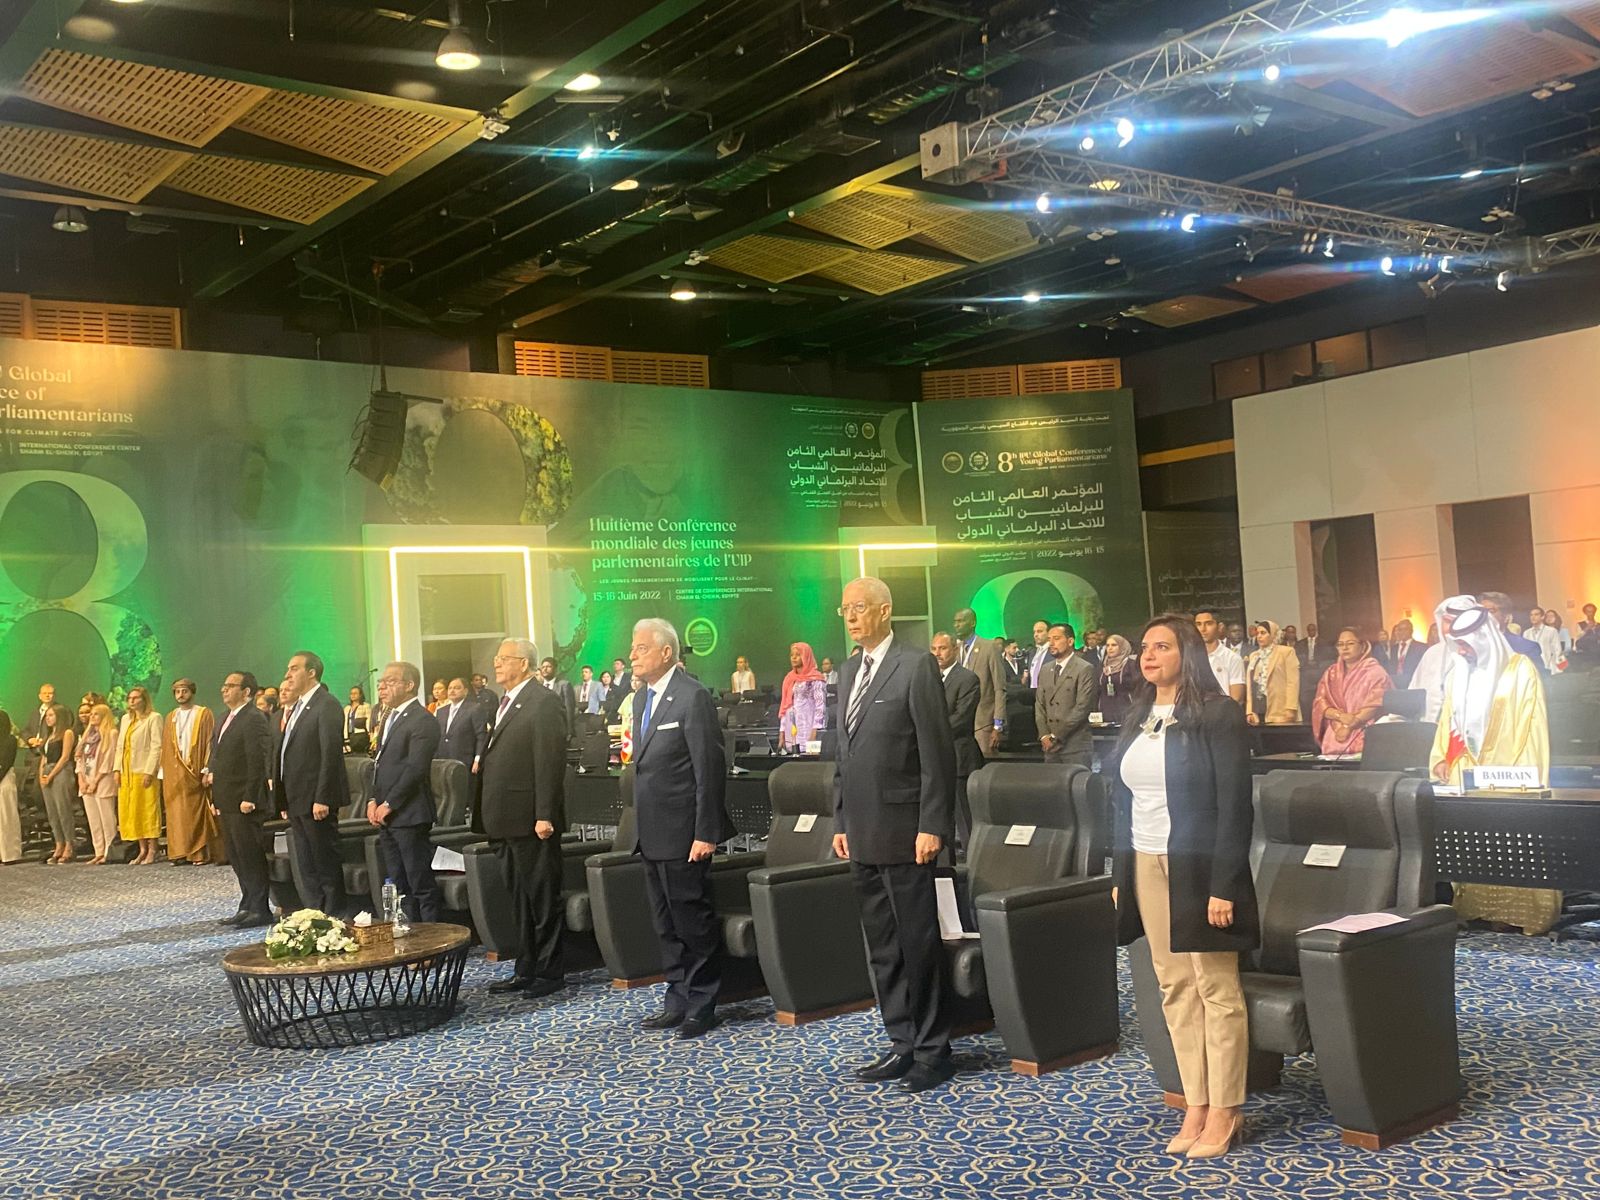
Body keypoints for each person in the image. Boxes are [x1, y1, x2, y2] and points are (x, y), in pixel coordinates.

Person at [1107, 614, 1256, 1159]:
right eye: (1145, 647)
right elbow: (1122, 804)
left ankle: (1227, 1107)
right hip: (1144, 861)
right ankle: (1196, 1101)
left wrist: (1225, 884)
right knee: (1173, 986)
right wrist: (1120, 875)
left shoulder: (1217, 714)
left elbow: (1236, 806)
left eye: (1162, 647)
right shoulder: (1139, 714)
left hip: (1200, 867)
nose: (1148, 656)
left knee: (1215, 988)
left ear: (1186, 654)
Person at [834, 577, 956, 1094]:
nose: (850, 616)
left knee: (917, 943)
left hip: (908, 833)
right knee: (883, 947)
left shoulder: (915, 665)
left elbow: (936, 754)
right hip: (861, 832)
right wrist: (840, 820)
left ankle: (933, 1050)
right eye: (844, 609)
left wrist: (932, 824)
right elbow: (842, 754)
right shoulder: (847, 671)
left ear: (885, 611)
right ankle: (902, 1041)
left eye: (858, 607)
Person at [628, 618, 735, 1038]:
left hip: (685, 833)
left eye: (641, 648)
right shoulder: (641, 699)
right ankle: (677, 999)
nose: (632, 656)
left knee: (692, 923)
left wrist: (705, 832)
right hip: (650, 832)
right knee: (665, 925)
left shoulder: (692, 697)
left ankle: (703, 1003)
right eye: (633, 648)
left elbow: (709, 770)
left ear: (666, 652)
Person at [480, 637, 569, 998]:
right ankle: (525, 967)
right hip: (504, 818)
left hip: (532, 820)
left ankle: (550, 971)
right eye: (497, 658)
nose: (497, 663)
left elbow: (549, 762)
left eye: (504, 658)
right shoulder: (503, 702)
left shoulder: (543, 701)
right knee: (519, 899)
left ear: (524, 663)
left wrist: (544, 813)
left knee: (542, 898)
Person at [1431, 607, 1548, 786]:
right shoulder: (1457, 674)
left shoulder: (1520, 670)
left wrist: (1527, 782)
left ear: (1483, 640)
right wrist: (1440, 758)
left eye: (1465, 645)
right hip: (1461, 771)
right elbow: (1446, 721)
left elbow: (1531, 729)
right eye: (1458, 645)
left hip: (1508, 774)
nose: (1461, 652)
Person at [368, 660, 444, 924]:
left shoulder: (422, 720)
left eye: (390, 681)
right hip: (387, 815)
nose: (382, 686)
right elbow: (379, 764)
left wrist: (389, 803)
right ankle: (407, 933)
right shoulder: (389, 716)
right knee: (399, 883)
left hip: (410, 813)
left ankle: (432, 937)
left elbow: (415, 768)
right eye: (381, 681)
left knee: (419, 882)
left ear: (409, 685)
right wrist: (373, 799)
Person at [277, 651, 348, 915]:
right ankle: (315, 914)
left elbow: (330, 755)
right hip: (297, 798)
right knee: (307, 864)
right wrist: (283, 799)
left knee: (324, 862)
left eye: (294, 668)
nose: (288, 674)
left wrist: (323, 797)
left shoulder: (325, 704)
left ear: (311, 672)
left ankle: (334, 916)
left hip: (316, 799)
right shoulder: (298, 706)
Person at [207, 672, 275, 927]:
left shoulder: (253, 717)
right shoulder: (224, 717)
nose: (224, 690)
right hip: (226, 798)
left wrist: (251, 796)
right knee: (236, 856)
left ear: (246, 692)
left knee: (250, 855)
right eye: (223, 685)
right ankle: (247, 904)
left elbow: (257, 760)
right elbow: (218, 756)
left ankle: (260, 908)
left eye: (231, 686)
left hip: (244, 800)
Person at [930, 631, 981, 854]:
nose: (937, 653)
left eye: (942, 648)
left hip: (959, 755)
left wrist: (929, 734)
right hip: (935, 758)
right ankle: (945, 861)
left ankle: (973, 860)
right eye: (934, 649)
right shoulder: (929, 678)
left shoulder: (967, 678)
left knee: (964, 817)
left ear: (955, 649)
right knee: (941, 816)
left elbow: (962, 718)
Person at [162, 678, 218, 867]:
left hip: (196, 771)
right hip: (176, 774)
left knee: (195, 813)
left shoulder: (203, 714)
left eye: (184, 691)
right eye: (177, 691)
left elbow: (209, 742)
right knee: (177, 814)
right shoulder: (171, 717)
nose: (181, 695)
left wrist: (206, 768)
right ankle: (180, 852)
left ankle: (198, 852)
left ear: (192, 692)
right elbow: (167, 747)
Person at [1311, 629, 1393, 756]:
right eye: (1340, 644)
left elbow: (1375, 705)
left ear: (1363, 646)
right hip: (1334, 733)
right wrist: (1340, 716)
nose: (1344, 648)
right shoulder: (1331, 673)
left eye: (1350, 643)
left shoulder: (1376, 672)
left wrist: (1349, 726)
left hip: (1365, 733)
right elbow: (1320, 703)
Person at [1035, 622, 1096, 767]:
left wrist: (1056, 736)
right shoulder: (1045, 669)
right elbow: (1039, 704)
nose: (1051, 643)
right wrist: (1044, 735)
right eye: (1049, 639)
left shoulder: (1084, 668)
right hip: (1049, 747)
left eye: (1056, 638)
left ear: (1070, 641)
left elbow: (1082, 708)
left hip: (1075, 746)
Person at [1412, 595, 1479, 723]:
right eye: (1448, 621)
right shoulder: (1432, 653)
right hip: (1428, 727)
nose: (1453, 627)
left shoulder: (1482, 653)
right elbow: (1414, 692)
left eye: (1459, 621)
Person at [117, 687, 163, 866]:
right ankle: (142, 849)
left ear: (144, 700)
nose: (132, 701)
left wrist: (149, 771)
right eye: (130, 698)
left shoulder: (154, 718)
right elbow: (120, 746)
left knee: (147, 809)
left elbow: (156, 746)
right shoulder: (126, 719)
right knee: (133, 810)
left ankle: (153, 849)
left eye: (136, 698)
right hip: (127, 771)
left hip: (143, 770)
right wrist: (116, 769)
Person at [953, 607, 1008, 757]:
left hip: (983, 723)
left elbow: (999, 687)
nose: (956, 625)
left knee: (984, 765)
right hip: (959, 724)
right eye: (955, 621)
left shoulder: (989, 647)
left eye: (960, 621)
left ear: (972, 623)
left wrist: (998, 725)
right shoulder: (955, 649)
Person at [74, 703, 120, 865]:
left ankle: (109, 851)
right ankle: (98, 851)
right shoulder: (88, 736)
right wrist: (81, 779)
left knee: (107, 818)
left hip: (103, 780)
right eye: (91, 714)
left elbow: (109, 759)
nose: (92, 717)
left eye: (96, 714)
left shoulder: (111, 733)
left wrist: (95, 781)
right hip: (86, 780)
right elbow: (79, 758)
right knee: (93, 819)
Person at [38, 703, 78, 865]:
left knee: (63, 809)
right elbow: (44, 757)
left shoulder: (67, 733)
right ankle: (58, 843)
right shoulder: (49, 736)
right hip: (47, 770)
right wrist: (42, 775)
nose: (48, 718)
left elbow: (65, 757)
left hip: (61, 771)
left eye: (51, 715)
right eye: (47, 716)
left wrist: (51, 775)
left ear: (59, 716)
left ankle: (69, 844)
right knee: (52, 812)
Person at [1478, 591, 1548, 676]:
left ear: (1506, 617)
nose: (1483, 615)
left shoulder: (1527, 648)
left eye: (1490, 611)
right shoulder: (1469, 647)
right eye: (1480, 611)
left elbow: (1539, 680)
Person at [1245, 620, 1301, 725]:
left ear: (1273, 634)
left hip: (1280, 709)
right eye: (1257, 633)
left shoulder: (1286, 652)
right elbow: (1250, 685)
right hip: (1258, 709)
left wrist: (1291, 708)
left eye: (1263, 633)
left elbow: (1293, 682)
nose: (1259, 636)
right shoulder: (1254, 655)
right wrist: (1249, 711)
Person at [777, 642, 827, 753]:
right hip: (792, 728)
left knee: (810, 759)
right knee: (793, 758)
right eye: (792, 655)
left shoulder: (816, 678)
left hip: (810, 727)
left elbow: (820, 707)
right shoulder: (790, 678)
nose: (794, 657)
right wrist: (782, 732)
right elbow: (785, 706)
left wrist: (815, 732)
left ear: (806, 656)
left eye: (798, 655)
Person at [1194, 610, 1245, 705]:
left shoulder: (1232, 658)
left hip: (1224, 711)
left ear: (1220, 627)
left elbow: (1236, 698)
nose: (1202, 629)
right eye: (1198, 624)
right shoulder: (1189, 658)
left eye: (1208, 623)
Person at [436, 677, 486, 773]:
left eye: (457, 688)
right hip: (443, 761)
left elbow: (481, 735)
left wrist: (478, 759)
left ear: (465, 691)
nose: (452, 691)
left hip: (465, 761)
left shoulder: (474, 709)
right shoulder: (441, 711)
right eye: (450, 688)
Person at [1096, 634, 1141, 725]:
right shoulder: (1102, 665)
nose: (1110, 648)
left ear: (1122, 646)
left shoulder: (1131, 664)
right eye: (1107, 645)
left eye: (1114, 645)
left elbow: (1138, 689)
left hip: (1126, 711)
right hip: (1105, 712)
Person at [538, 657, 577, 738]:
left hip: (559, 730)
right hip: (542, 730)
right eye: (543, 667)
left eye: (548, 666)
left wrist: (569, 731)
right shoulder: (538, 687)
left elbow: (569, 709)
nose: (545, 669)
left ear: (555, 669)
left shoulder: (564, 685)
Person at [0, 706, 19, 864]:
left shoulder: (10, 740)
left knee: (7, 817)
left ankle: (10, 853)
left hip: (5, 780)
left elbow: (6, 762)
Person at [1523, 606, 1563, 673]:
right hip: (1532, 668)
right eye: (1531, 615)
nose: (1533, 617)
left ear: (1542, 617)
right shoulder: (1526, 633)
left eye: (1536, 614)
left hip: (1548, 667)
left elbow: (1557, 651)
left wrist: (1556, 669)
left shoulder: (1551, 631)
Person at [1387, 619, 1425, 688]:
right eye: (1400, 630)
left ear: (1411, 631)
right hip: (1396, 685)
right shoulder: (1393, 648)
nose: (1402, 632)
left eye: (1405, 629)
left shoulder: (1421, 647)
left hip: (1413, 684)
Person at [343, 685, 373, 754]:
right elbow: (344, 723)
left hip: (361, 735)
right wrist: (344, 736)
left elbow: (369, 721)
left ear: (360, 695)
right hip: (349, 735)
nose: (353, 695)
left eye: (355, 693)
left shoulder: (366, 706)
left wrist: (370, 734)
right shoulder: (347, 708)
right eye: (351, 693)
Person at [1025, 620, 1052, 688]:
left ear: (1049, 633)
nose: (1036, 635)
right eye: (1034, 632)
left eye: (1039, 631)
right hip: (1031, 692)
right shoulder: (1032, 652)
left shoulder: (1055, 651)